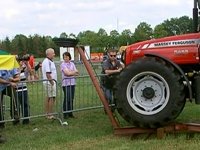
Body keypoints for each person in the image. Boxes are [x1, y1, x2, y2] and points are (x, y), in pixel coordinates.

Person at [0, 68, 20, 143]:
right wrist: (10, 82)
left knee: (15, 98)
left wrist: (15, 80)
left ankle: (15, 117)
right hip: (2, 86)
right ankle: (1, 122)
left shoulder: (11, 65)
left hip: (8, 86)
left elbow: (17, 77)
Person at [60, 52, 79, 119]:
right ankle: (65, 113)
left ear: (69, 57)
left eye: (67, 57)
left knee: (71, 98)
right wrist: (72, 72)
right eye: (64, 57)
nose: (65, 58)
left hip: (72, 83)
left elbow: (77, 72)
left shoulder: (72, 63)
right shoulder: (62, 64)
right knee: (67, 98)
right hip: (66, 84)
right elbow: (66, 73)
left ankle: (70, 113)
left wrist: (71, 73)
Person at [42, 48, 57, 119]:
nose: (54, 54)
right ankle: (50, 114)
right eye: (53, 53)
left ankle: (48, 113)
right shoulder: (47, 61)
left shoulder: (50, 61)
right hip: (49, 83)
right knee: (51, 98)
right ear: (49, 54)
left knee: (50, 97)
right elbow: (48, 74)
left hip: (50, 82)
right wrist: (52, 82)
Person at [16, 60, 30, 124]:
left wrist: (27, 64)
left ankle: (26, 120)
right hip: (16, 90)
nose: (21, 62)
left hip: (24, 89)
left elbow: (31, 72)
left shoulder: (24, 68)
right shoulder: (14, 69)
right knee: (16, 106)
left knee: (25, 104)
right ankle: (16, 120)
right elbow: (16, 77)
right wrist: (20, 69)